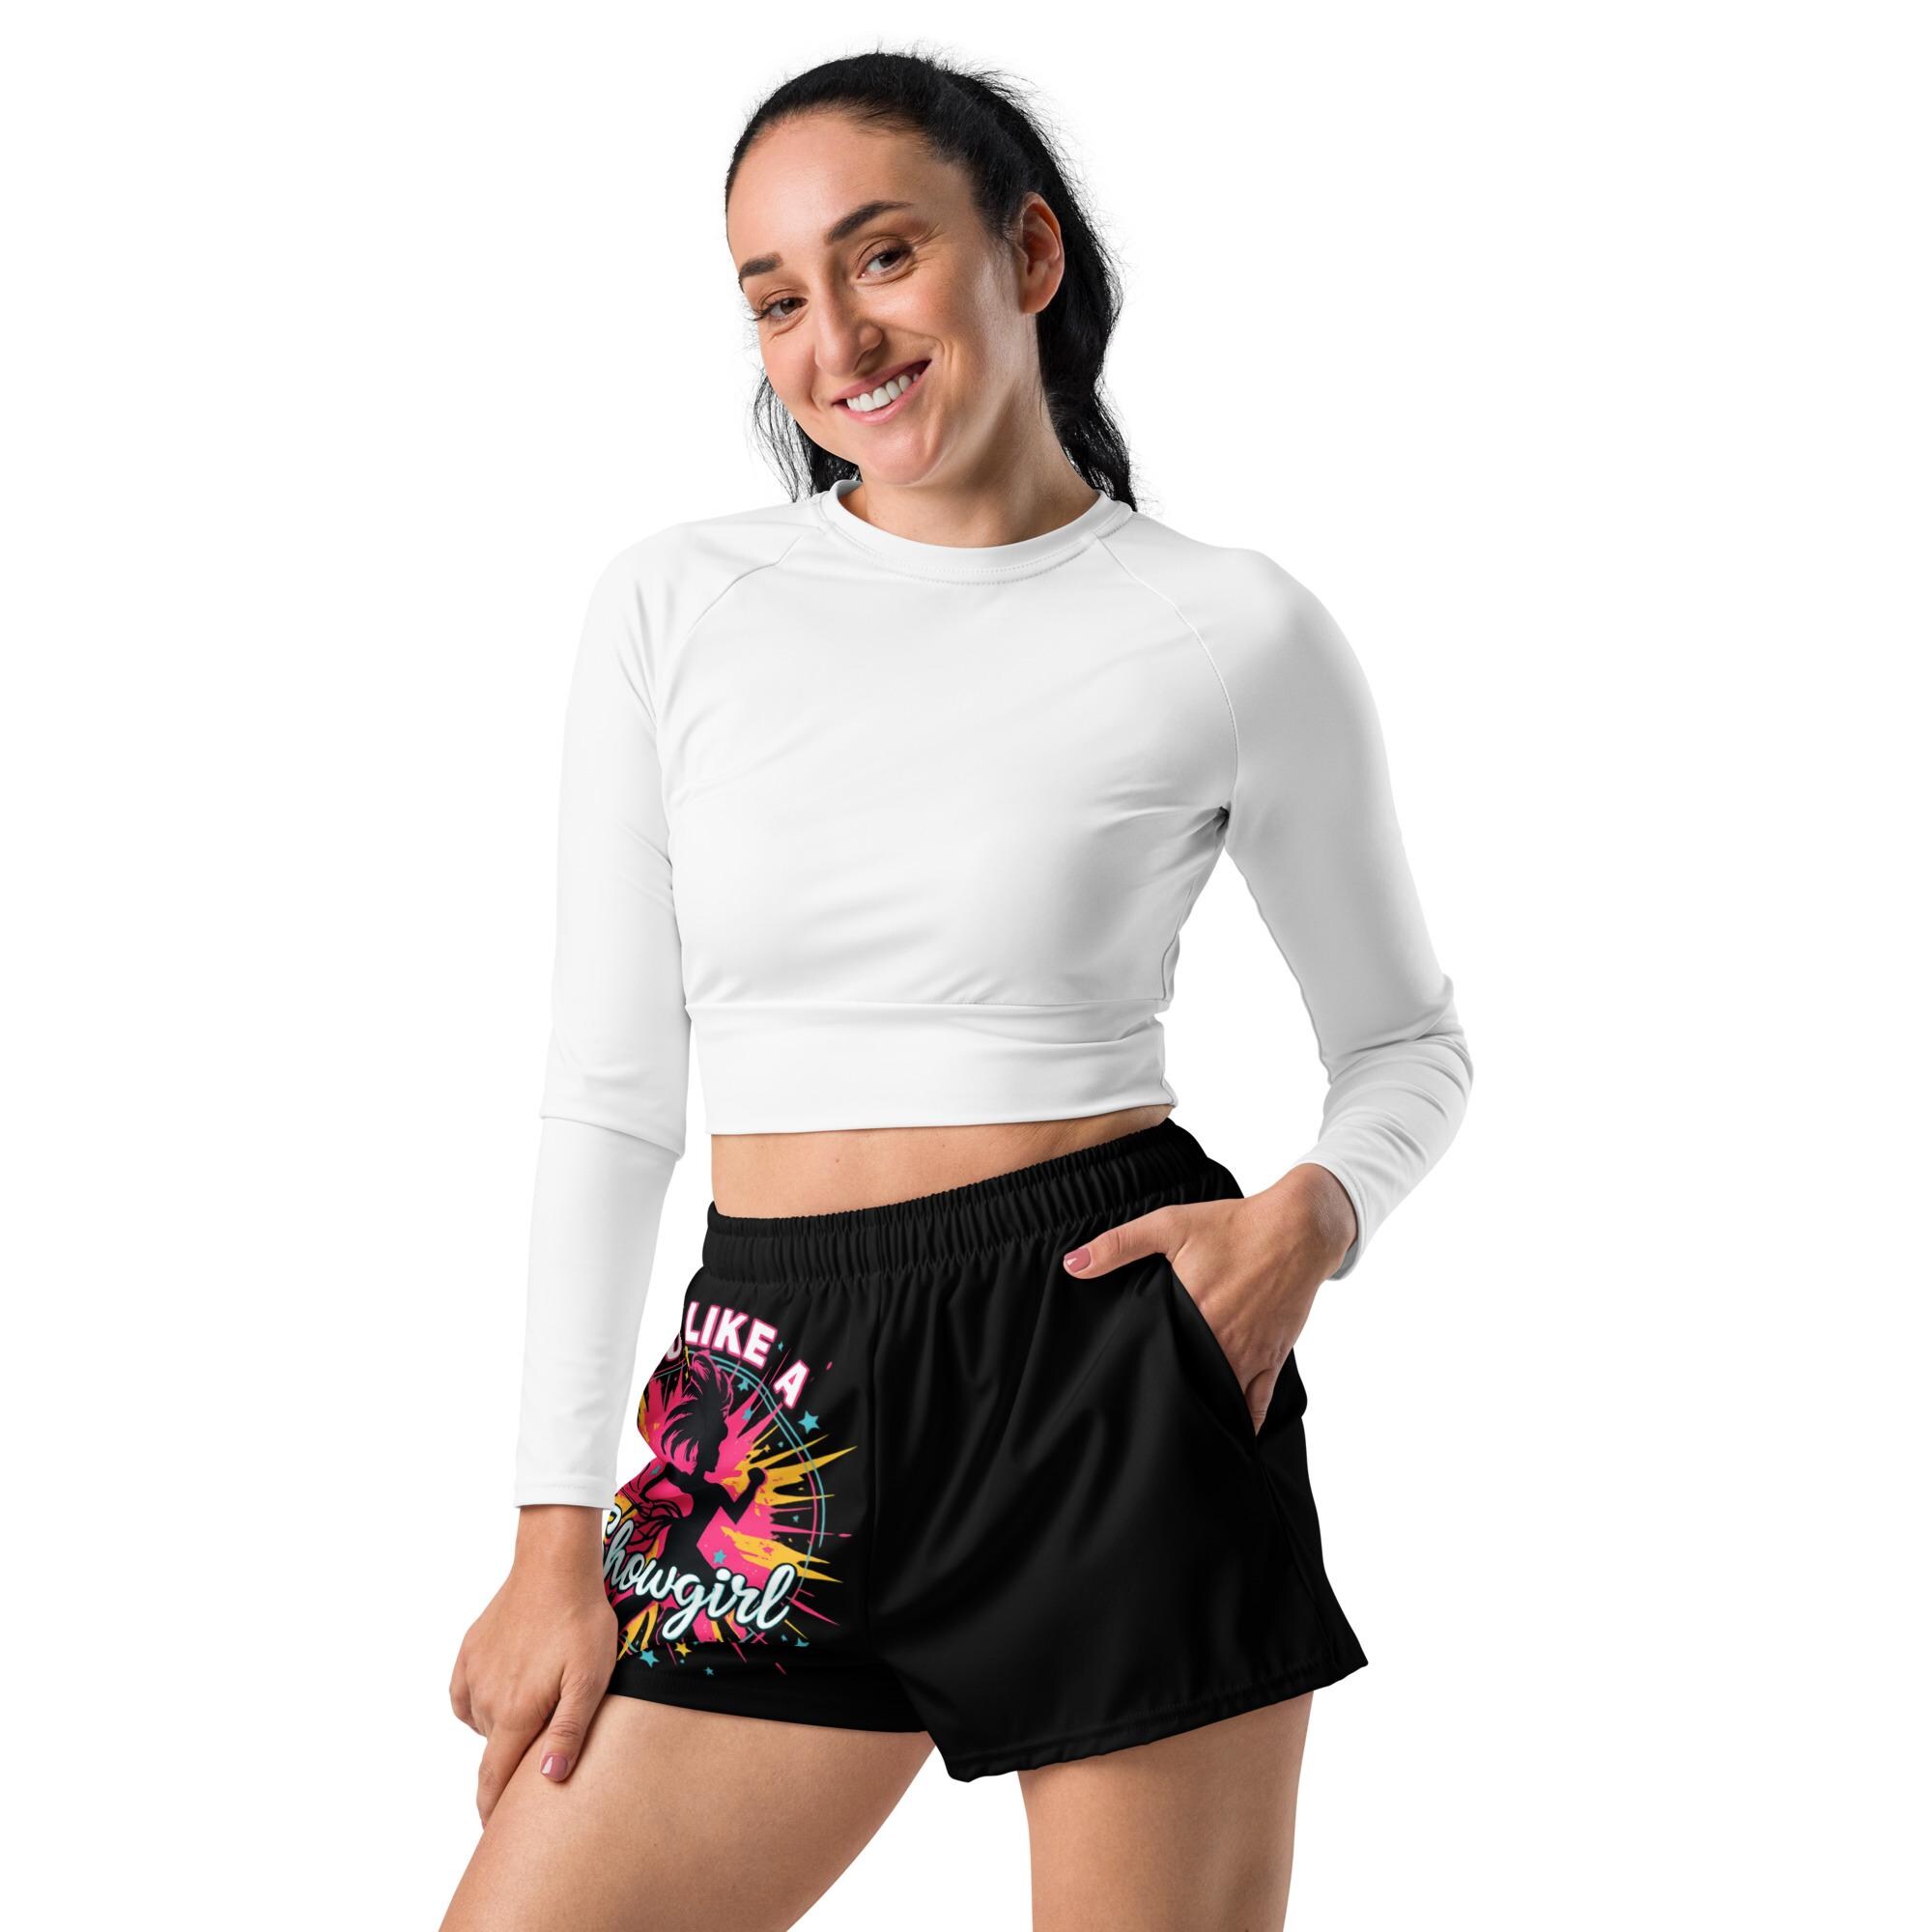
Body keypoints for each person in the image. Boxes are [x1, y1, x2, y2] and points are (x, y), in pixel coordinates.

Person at [441, 47, 1472, 1932]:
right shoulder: (679, 605)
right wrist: (549, 1531)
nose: (835, 336)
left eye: (882, 256)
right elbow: (610, 1095)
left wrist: (1310, 1222)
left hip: (1106, 1373)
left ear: (1028, 254)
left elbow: (1406, 1041)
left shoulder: (1226, 626)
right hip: (765, 1394)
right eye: (774, 298)